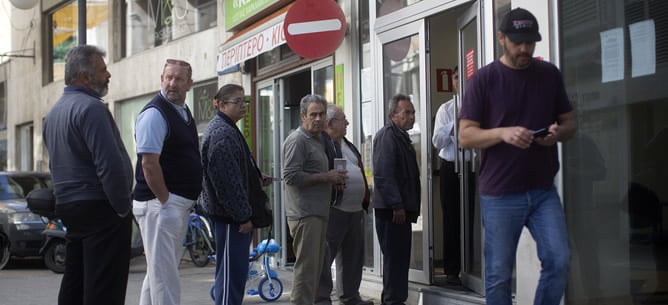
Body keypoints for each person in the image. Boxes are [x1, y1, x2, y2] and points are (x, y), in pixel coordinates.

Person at [458, 8, 577, 305]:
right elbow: (465, 135)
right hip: (499, 194)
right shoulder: (483, 80)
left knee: (559, 260)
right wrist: (502, 133)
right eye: (517, 42)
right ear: (501, 39)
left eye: (530, 42)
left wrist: (557, 133)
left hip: (542, 190)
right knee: (498, 275)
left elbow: (570, 123)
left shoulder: (549, 74)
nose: (525, 48)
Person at [43, 45, 134, 305]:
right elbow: (109, 164)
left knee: (76, 278)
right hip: (100, 206)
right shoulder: (91, 108)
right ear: (85, 76)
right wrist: (121, 207)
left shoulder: (54, 113)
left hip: (71, 207)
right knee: (104, 285)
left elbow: (55, 166)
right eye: (103, 69)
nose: (108, 75)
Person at [133, 58, 203, 305]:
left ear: (189, 84)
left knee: (158, 272)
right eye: (168, 77)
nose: (172, 83)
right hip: (159, 204)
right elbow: (148, 163)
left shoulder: (181, 111)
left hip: (171, 204)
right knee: (165, 276)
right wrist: (166, 201)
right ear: (161, 79)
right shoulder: (155, 114)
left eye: (179, 79)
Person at [199, 84, 271, 305]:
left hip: (232, 218)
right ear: (221, 105)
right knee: (231, 278)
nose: (244, 106)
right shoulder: (222, 133)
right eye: (237, 102)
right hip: (231, 220)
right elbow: (226, 183)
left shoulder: (227, 128)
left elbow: (234, 171)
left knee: (234, 275)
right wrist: (243, 216)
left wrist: (255, 177)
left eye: (244, 101)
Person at [282, 95, 348, 305]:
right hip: (305, 214)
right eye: (313, 114)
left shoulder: (320, 139)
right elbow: (290, 176)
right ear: (303, 116)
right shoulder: (298, 139)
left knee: (315, 271)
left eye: (322, 114)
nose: (319, 119)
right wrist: (325, 177)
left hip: (319, 212)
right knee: (306, 271)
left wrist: (334, 180)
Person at [315, 105, 373, 305]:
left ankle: (350, 296)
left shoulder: (346, 143)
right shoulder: (322, 143)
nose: (347, 123)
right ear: (331, 123)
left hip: (354, 209)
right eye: (343, 119)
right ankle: (321, 298)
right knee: (325, 256)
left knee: (352, 257)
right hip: (334, 209)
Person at [372, 94, 421, 305]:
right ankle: (393, 301)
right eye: (406, 113)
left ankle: (397, 300)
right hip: (392, 212)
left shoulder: (401, 136)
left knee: (400, 261)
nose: (411, 117)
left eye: (413, 113)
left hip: (400, 210)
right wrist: (397, 205)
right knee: (394, 261)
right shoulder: (387, 136)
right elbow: (384, 174)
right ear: (393, 115)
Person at [431, 66, 474, 287]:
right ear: (453, 81)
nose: (460, 81)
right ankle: (451, 270)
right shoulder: (446, 109)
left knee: (472, 218)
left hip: (473, 167)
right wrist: (453, 124)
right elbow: (436, 141)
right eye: (456, 77)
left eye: (464, 77)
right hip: (450, 166)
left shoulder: (480, 105)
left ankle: (473, 267)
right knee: (451, 219)